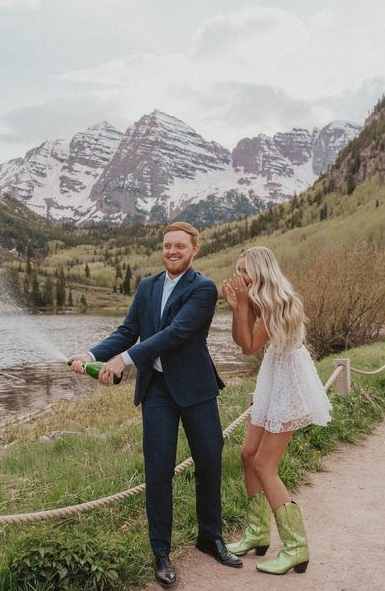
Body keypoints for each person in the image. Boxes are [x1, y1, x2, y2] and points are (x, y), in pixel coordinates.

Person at [70, 222, 242, 588]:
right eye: (167, 246)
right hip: (157, 390)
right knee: (158, 471)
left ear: (194, 249)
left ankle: (210, 537)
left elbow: (175, 334)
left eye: (180, 245)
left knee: (210, 461)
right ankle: (161, 554)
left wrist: (124, 360)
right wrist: (93, 353)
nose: (172, 251)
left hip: (196, 388)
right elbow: (128, 330)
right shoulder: (147, 287)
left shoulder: (204, 289)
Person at [222, 246, 332, 576]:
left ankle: (297, 546)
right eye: (238, 270)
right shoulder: (259, 299)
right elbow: (243, 341)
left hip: (289, 382)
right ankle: (257, 532)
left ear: (260, 272)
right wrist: (238, 307)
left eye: (244, 271)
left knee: (264, 465)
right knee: (247, 454)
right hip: (274, 375)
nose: (239, 277)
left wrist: (241, 304)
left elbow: (248, 346)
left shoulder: (278, 303)